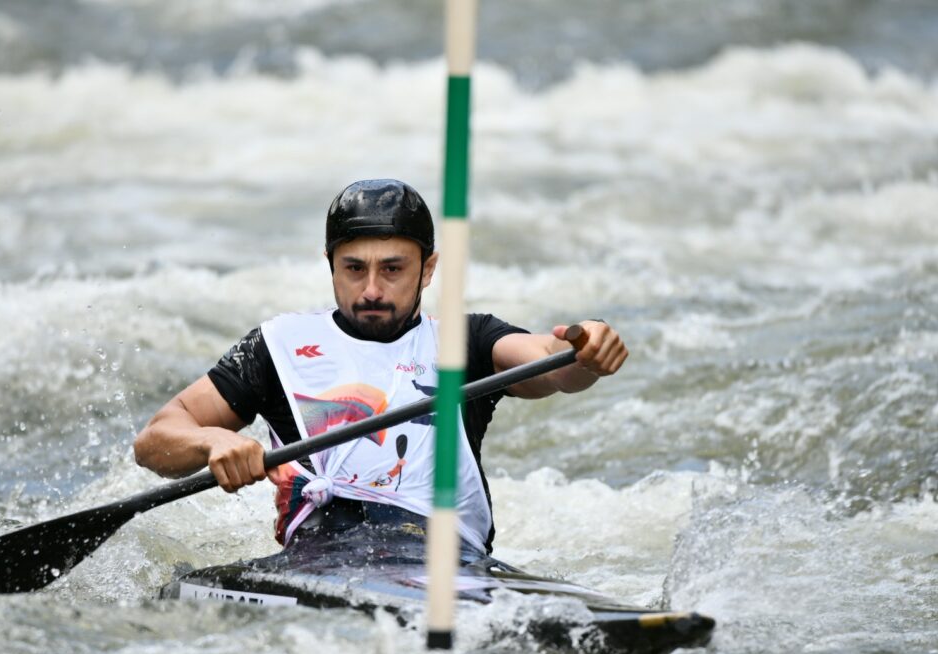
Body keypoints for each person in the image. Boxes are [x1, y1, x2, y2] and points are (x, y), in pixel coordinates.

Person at [134, 178, 628, 554]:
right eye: (354, 268)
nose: (371, 289)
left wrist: (586, 351)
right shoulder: (278, 345)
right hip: (319, 559)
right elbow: (154, 441)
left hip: (443, 559)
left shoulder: (466, 341)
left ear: (428, 269)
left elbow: (552, 365)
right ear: (330, 264)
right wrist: (212, 440)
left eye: (392, 269)